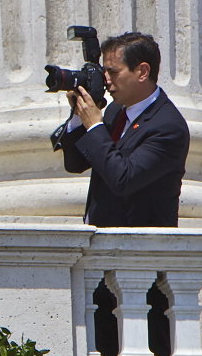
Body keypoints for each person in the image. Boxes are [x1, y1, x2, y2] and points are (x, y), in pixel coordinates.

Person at [51, 31, 189, 227]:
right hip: (100, 241)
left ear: (142, 72)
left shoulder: (167, 127)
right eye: (104, 71)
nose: (105, 80)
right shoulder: (116, 111)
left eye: (113, 72)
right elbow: (75, 164)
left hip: (139, 247)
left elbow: (123, 179)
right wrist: (77, 117)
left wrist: (95, 126)